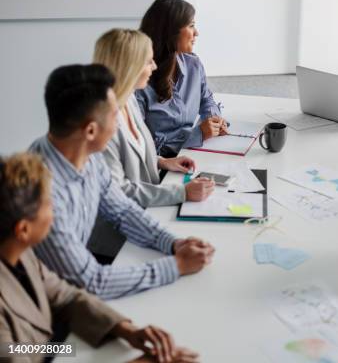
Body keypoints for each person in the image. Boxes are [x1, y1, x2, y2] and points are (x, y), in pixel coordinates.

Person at [29, 64, 215, 300]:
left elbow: (123, 211)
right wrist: (176, 266)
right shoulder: (44, 194)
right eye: (115, 115)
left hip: (69, 286)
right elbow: (93, 281)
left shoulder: (85, 155)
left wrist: (173, 244)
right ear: (90, 131)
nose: (120, 124)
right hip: (37, 314)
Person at [0, 152, 199, 363]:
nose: (56, 211)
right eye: (49, 205)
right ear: (23, 229)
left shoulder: (20, 252)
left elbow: (65, 296)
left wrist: (124, 329)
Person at [93, 28, 214, 207]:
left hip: (150, 200)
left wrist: (163, 162)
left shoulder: (129, 99)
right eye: (149, 61)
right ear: (129, 66)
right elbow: (118, 192)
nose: (155, 67)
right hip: (126, 221)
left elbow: (133, 154)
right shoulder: (101, 123)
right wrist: (182, 192)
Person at [136, 0, 227, 158]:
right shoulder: (140, 81)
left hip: (195, 151)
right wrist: (197, 135)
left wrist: (214, 118)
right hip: (164, 167)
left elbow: (206, 99)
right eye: (191, 26)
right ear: (170, 32)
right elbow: (143, 150)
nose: (196, 33)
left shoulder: (193, 64)